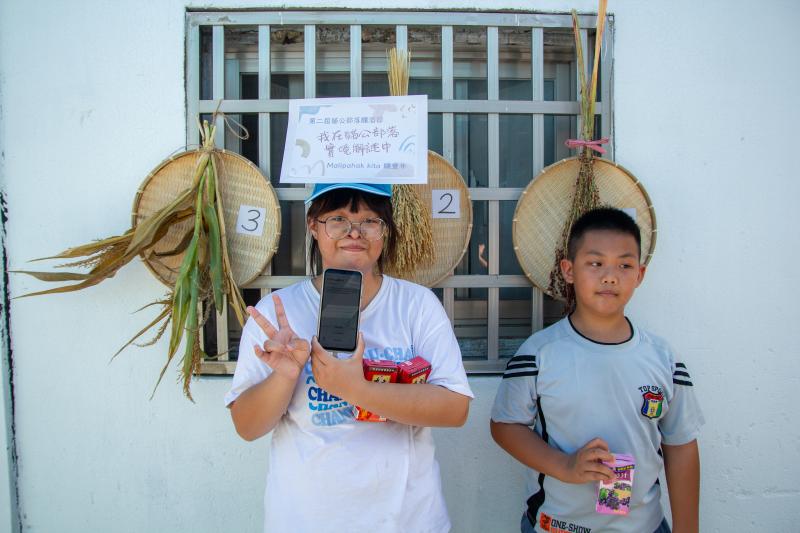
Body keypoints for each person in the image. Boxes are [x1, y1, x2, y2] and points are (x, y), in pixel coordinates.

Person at [225, 182, 473, 533]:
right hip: (305, 522)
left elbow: (455, 408)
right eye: (338, 219)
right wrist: (284, 375)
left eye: (370, 221)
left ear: (385, 231)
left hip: (407, 521)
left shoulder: (417, 306)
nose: (354, 232)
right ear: (313, 225)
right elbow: (247, 427)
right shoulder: (279, 312)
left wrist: (353, 388)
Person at [490, 207, 704, 533]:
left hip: (643, 527)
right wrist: (564, 465)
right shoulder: (539, 354)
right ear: (569, 270)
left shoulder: (664, 360)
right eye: (595, 263)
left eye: (624, 264)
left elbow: (681, 446)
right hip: (557, 526)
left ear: (640, 275)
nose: (610, 276)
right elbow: (505, 426)